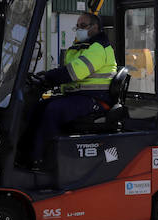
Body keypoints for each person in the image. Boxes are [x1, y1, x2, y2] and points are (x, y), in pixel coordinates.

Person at [27, 11, 118, 167]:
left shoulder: (98, 48)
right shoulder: (80, 47)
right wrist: (46, 79)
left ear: (95, 27)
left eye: (83, 26)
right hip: (79, 96)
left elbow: (74, 72)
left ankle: (42, 159)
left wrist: (48, 77)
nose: (79, 29)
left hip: (96, 99)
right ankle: (27, 152)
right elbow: (67, 72)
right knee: (38, 106)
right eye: (77, 26)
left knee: (54, 110)